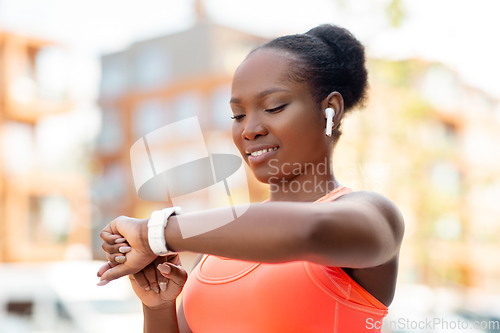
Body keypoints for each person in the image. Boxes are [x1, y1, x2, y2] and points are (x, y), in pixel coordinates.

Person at [97, 23, 405, 333]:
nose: (249, 129)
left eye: (274, 107)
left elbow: (308, 229)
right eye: (238, 115)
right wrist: (159, 307)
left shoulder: (373, 215)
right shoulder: (216, 249)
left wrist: (152, 234)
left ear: (331, 111)